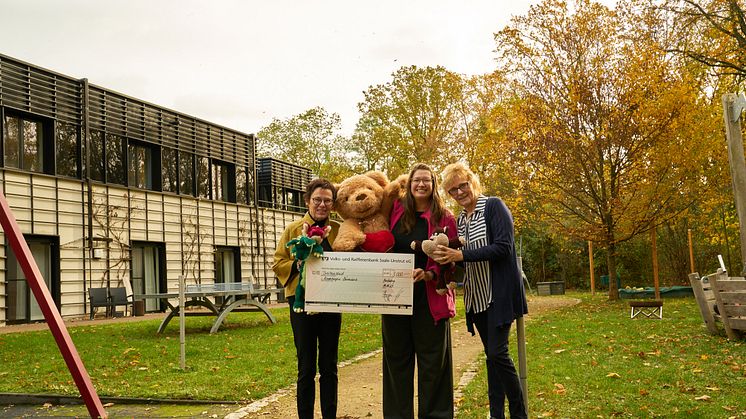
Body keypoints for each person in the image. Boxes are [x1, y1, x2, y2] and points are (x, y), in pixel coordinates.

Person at [434, 162, 528, 419]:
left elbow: (503, 247)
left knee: (498, 353)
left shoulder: (494, 206)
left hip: (499, 293)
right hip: (477, 296)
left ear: (472, 181)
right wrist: (451, 267)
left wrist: (460, 254)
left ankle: (519, 413)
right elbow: (465, 257)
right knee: (491, 357)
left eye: (462, 185)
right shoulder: (461, 220)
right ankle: (496, 413)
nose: (460, 192)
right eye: (453, 190)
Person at [382, 163, 458, 419]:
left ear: (433, 185)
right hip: (394, 298)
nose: (421, 185)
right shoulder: (395, 211)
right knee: (396, 362)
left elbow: (451, 255)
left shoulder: (445, 216)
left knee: (433, 365)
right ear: (409, 183)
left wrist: (429, 273)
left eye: (427, 180)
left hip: (430, 299)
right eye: (417, 180)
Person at [272, 178, 341, 419]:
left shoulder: (340, 230)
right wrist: (298, 263)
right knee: (306, 366)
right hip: (300, 303)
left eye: (327, 201)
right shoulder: (293, 229)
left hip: (332, 302)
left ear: (333, 204)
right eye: (317, 200)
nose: (322, 205)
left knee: (330, 365)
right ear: (307, 200)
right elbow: (278, 262)